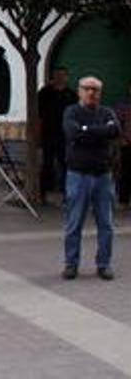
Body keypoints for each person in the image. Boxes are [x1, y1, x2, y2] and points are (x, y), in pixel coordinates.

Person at [62, 76, 122, 281]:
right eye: (87, 89)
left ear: (100, 93)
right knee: (74, 223)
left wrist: (86, 130)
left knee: (106, 224)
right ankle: (71, 264)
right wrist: (100, 132)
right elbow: (72, 133)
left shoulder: (107, 112)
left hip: (103, 176)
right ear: (79, 91)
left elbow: (115, 131)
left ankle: (104, 264)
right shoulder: (71, 112)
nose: (91, 93)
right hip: (78, 175)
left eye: (95, 90)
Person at [38, 67, 77, 201]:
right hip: (48, 133)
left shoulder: (71, 95)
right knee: (47, 164)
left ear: (66, 77)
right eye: (57, 75)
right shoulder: (45, 93)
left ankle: (67, 193)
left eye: (62, 75)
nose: (60, 78)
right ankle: (43, 193)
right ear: (53, 77)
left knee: (65, 164)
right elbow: (38, 114)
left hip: (65, 135)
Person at [114, 80, 131, 211]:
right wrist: (121, 139)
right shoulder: (123, 105)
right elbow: (117, 124)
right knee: (125, 172)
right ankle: (123, 200)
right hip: (127, 143)